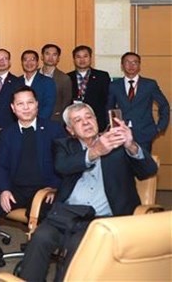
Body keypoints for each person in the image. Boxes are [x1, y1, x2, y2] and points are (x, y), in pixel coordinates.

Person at [19, 102, 158, 281]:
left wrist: (131, 145)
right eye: (78, 120)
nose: (85, 122)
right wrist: (95, 151)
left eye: (89, 117)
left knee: (78, 245)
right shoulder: (64, 145)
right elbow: (63, 166)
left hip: (103, 219)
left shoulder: (118, 143)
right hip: (66, 215)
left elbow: (149, 170)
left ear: (97, 120)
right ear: (70, 130)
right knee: (40, 237)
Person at [0, 87, 66, 274]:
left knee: (50, 217)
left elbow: (63, 163)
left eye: (30, 103)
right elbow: (1, 166)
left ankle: (35, 260)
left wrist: (55, 187)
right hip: (16, 189)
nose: (25, 108)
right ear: (13, 108)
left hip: (45, 191)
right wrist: (4, 190)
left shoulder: (54, 130)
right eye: (20, 104)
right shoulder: (7, 133)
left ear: (37, 105)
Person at [107, 52, 169, 153]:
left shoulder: (150, 84)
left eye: (135, 62)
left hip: (145, 133)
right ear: (122, 65)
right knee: (122, 167)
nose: (131, 65)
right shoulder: (114, 85)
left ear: (139, 65)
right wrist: (112, 128)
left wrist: (159, 127)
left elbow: (164, 105)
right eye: (127, 62)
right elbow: (109, 108)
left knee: (143, 166)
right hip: (121, 134)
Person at [67, 45, 111, 131]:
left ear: (90, 58)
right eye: (78, 57)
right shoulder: (67, 77)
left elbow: (107, 101)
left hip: (97, 121)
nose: (82, 60)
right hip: (74, 122)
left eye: (85, 56)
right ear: (74, 59)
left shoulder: (102, 76)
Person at [18, 50, 56, 119]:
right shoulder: (17, 81)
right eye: (25, 60)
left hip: (40, 123)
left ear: (37, 63)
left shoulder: (47, 82)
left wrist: (34, 122)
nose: (29, 63)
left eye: (32, 60)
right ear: (22, 63)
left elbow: (48, 106)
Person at [40, 43, 72, 122]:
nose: (50, 57)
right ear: (42, 56)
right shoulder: (34, 75)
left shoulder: (64, 78)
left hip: (55, 120)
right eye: (47, 54)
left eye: (54, 54)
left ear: (58, 58)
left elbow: (66, 103)